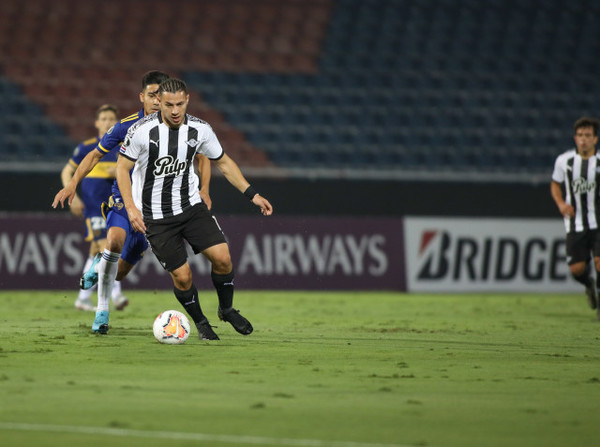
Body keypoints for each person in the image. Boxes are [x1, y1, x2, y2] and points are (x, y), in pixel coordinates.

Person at [53, 71, 213, 333]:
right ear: (142, 97)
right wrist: (72, 183)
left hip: (156, 209)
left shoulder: (180, 126)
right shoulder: (127, 126)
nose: (156, 101)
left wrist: (205, 188)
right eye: (152, 95)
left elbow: (204, 156)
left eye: (160, 96)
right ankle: (102, 313)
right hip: (124, 199)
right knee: (114, 240)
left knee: (118, 272)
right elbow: (94, 154)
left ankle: (99, 263)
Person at [116, 78, 273, 340]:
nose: (175, 110)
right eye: (168, 105)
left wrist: (252, 194)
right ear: (159, 102)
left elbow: (223, 162)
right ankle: (200, 322)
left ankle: (227, 309)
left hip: (191, 208)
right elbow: (122, 169)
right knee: (183, 276)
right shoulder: (141, 131)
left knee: (223, 258)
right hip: (156, 218)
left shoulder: (200, 129)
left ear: (187, 99)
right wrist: (131, 209)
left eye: (180, 104)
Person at [60, 104, 127, 311]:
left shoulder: (123, 147)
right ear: (97, 123)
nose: (108, 122)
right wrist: (73, 195)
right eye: (104, 118)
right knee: (105, 248)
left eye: (111, 119)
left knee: (95, 251)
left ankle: (82, 298)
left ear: (116, 123)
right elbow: (66, 172)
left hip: (113, 205)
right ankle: (116, 295)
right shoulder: (87, 147)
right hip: (92, 205)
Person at [551, 116, 600, 319]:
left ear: (595, 139)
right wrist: (561, 204)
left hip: (598, 222)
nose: (583, 139)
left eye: (587, 135)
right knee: (577, 269)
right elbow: (555, 184)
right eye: (580, 135)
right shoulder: (565, 161)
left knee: (599, 262)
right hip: (576, 222)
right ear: (575, 138)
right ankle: (588, 284)